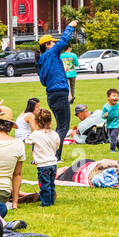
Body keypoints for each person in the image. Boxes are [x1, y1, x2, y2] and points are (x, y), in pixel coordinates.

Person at [36, 21, 79, 159]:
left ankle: (51, 152)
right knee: (63, 127)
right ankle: (55, 155)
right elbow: (63, 41)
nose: (55, 44)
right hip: (60, 93)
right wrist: (70, 26)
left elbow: (43, 81)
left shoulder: (41, 60)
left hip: (51, 95)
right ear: (47, 45)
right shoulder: (52, 53)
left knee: (59, 126)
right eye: (52, 42)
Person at [27, 107, 61, 207]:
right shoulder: (54, 134)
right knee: (51, 184)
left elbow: (27, 141)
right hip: (53, 163)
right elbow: (57, 146)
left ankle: (46, 203)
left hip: (43, 165)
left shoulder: (35, 134)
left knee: (44, 185)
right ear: (50, 121)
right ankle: (51, 200)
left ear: (36, 122)